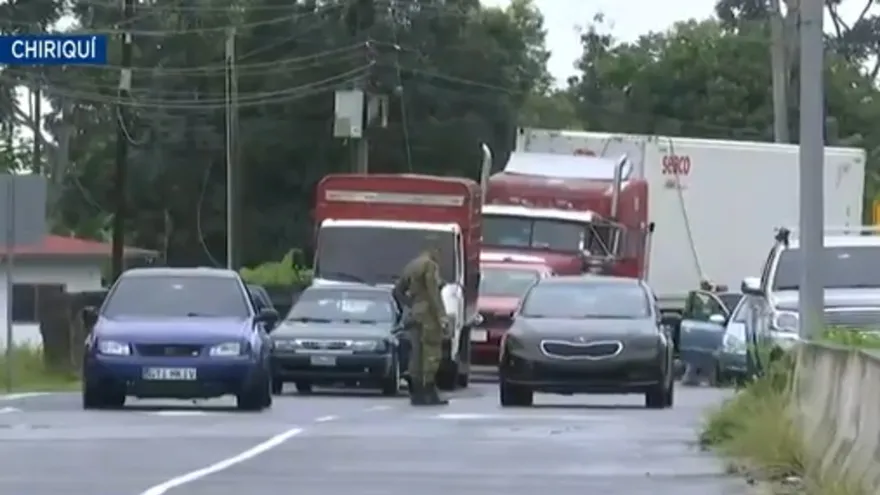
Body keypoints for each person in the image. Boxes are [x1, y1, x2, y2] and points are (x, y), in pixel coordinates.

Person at [393, 243, 449, 406]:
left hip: (415, 314)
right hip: (429, 315)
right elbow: (433, 293)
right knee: (432, 352)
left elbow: (397, 291)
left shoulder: (411, 266)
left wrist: (410, 304)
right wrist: (442, 316)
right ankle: (429, 392)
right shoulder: (429, 266)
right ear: (434, 251)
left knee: (416, 353)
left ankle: (416, 392)